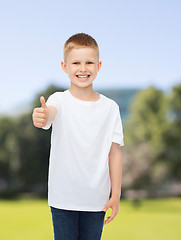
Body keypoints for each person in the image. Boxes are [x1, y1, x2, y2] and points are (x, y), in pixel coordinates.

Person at [32, 33, 124, 240]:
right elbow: (50, 114)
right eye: (76, 63)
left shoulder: (110, 108)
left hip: (96, 200)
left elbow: (115, 152)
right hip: (62, 198)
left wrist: (116, 194)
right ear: (65, 67)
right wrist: (43, 115)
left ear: (99, 65)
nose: (83, 68)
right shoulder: (59, 100)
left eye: (89, 62)